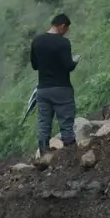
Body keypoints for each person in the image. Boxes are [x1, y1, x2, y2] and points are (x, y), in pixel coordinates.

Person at [30, 14, 80, 156]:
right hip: (62, 89)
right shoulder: (63, 43)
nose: (66, 32)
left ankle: (44, 155)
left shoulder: (37, 41)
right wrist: (75, 62)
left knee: (44, 123)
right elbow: (68, 66)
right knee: (66, 122)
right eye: (66, 29)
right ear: (62, 26)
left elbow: (34, 66)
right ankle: (71, 155)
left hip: (43, 90)